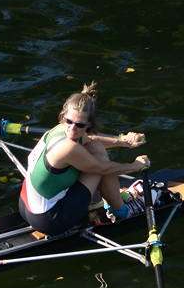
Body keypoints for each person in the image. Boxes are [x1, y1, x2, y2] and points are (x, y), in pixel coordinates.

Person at [18, 82, 149, 236]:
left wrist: (124, 142)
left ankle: (112, 199)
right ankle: (122, 211)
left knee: (96, 148)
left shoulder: (59, 129)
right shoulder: (68, 147)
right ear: (63, 117)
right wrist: (135, 165)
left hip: (24, 205)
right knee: (100, 163)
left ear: (88, 125)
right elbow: (103, 168)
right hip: (49, 220)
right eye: (69, 122)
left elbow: (90, 139)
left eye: (79, 125)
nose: (73, 128)